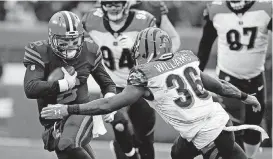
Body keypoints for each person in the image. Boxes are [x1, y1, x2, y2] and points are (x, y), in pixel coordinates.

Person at [41, 27, 268, 159]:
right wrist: (245, 96)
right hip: (213, 120)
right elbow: (216, 85)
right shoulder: (184, 58)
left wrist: (69, 108)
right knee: (178, 154)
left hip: (205, 129)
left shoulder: (145, 73)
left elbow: (110, 105)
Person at [23, 11, 116, 159]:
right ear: (52, 38)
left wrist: (110, 101)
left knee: (66, 144)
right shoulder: (40, 51)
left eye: (74, 41)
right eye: (64, 42)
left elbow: (107, 84)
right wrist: (62, 85)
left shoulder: (90, 50)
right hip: (54, 119)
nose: (70, 47)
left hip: (80, 111)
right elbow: (30, 88)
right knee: (66, 152)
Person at [81, 1, 158, 159]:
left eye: (117, 2)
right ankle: (129, 154)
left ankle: (124, 148)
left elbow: (158, 57)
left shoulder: (144, 20)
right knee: (119, 124)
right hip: (113, 87)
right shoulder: (90, 19)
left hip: (141, 85)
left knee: (144, 140)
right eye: (109, 3)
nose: (113, 7)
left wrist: (137, 48)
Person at [197, 0, 272, 158]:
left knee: (253, 130)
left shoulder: (265, 8)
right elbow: (205, 44)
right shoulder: (216, 9)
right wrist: (197, 72)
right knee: (232, 126)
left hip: (255, 78)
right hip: (227, 77)